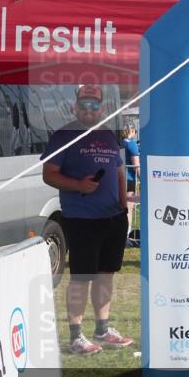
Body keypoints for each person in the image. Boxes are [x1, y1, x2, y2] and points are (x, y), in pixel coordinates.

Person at [41, 85, 133, 355]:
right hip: (82, 220)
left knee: (106, 276)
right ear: (75, 107)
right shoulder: (64, 136)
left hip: (113, 218)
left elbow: (118, 171)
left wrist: (123, 207)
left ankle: (102, 329)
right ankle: (76, 336)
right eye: (84, 104)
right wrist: (78, 184)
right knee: (81, 278)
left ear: (102, 108)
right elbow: (49, 174)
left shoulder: (107, 135)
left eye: (95, 105)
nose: (89, 109)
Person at [120, 121, 140, 240]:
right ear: (131, 131)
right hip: (129, 179)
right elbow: (136, 166)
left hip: (119, 178)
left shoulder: (119, 143)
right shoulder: (131, 144)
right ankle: (126, 235)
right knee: (129, 208)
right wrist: (145, 180)